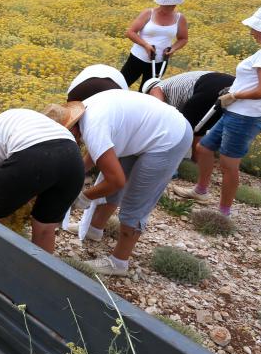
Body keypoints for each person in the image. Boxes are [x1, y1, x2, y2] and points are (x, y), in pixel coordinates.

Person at [175, 5, 261, 215]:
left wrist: (235, 95)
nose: (252, 32)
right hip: (240, 112)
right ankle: (201, 190)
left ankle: (223, 213)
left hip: (244, 116)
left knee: (229, 165)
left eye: (256, 28)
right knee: (204, 147)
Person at [62, 90, 193, 276]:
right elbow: (97, 151)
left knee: (135, 202)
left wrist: (83, 197)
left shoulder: (93, 127)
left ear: (72, 128)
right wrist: (73, 176)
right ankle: (93, 229)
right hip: (147, 129)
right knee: (115, 173)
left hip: (170, 137)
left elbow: (116, 181)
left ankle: (119, 262)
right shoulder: (86, 110)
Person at [0, 108, 84, 253]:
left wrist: (7, 208)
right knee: (45, 228)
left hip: (33, 154)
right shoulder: (8, 122)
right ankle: (39, 273)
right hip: (73, 158)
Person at [141, 70, 235, 155]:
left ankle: (193, 160)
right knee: (206, 126)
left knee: (186, 129)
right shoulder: (172, 85)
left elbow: (158, 110)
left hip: (208, 85)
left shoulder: (155, 89)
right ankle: (203, 157)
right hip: (233, 84)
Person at [120, 0, 188, 88]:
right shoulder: (148, 13)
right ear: (160, 2)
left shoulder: (180, 18)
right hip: (137, 58)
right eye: (166, 5)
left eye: (172, 5)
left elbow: (183, 38)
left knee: (147, 92)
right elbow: (130, 32)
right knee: (120, 85)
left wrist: (173, 49)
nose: (169, 7)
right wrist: (146, 45)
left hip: (160, 62)